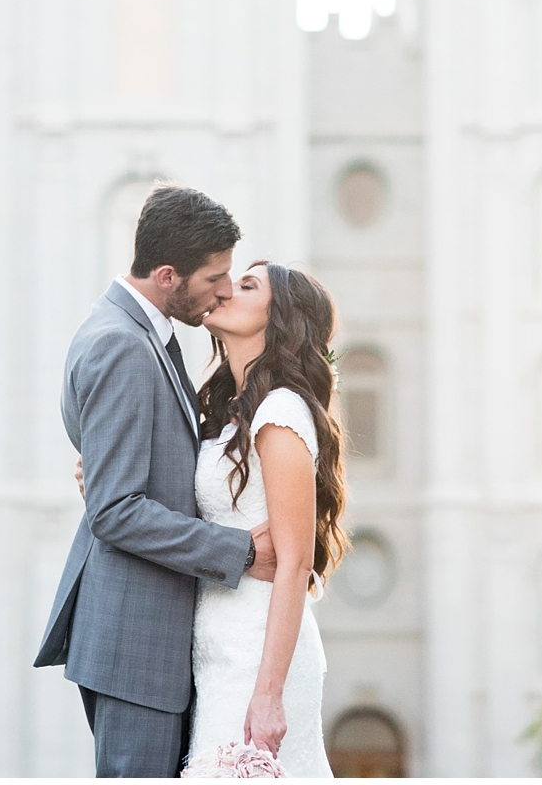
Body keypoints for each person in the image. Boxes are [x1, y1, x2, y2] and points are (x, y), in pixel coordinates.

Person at [37, 185, 280, 777]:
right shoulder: (121, 346)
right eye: (214, 278)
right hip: (135, 641)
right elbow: (116, 511)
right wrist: (243, 549)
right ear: (168, 275)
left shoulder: (137, 334)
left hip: (146, 637)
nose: (224, 290)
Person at [182, 260, 349, 777]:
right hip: (220, 651)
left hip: (258, 659)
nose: (227, 289)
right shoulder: (225, 412)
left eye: (248, 285)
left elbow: (295, 561)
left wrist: (269, 694)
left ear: (279, 319)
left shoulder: (280, 413)